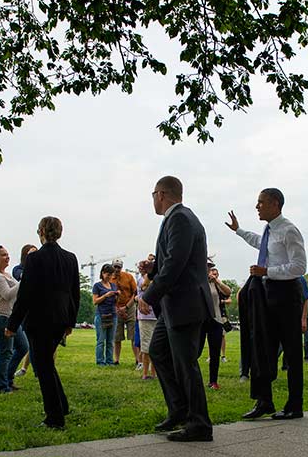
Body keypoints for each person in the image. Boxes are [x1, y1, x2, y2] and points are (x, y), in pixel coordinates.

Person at [137, 176, 214, 442]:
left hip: (184, 304)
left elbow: (176, 264)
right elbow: (172, 259)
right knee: (158, 350)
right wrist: (153, 267)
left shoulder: (180, 218)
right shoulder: (180, 217)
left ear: (161, 194)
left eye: (153, 194)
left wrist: (149, 293)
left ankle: (200, 424)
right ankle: (179, 410)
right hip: (177, 305)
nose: (153, 200)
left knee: (185, 364)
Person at [227, 187, 307, 420]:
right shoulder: (269, 230)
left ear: (274, 203)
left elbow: (300, 266)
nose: (257, 206)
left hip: (286, 294)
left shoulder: (289, 231)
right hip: (266, 294)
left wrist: (267, 271)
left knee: (291, 353)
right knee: (262, 348)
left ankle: (295, 405)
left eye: (260, 202)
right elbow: (259, 243)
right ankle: (264, 401)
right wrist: (239, 230)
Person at [6, 216, 79, 429]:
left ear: (41, 232)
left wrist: (12, 324)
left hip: (39, 320)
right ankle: (61, 405)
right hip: (60, 319)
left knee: (42, 366)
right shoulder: (70, 258)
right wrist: (70, 321)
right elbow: (74, 293)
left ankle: (55, 417)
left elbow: (26, 294)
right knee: (46, 362)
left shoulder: (34, 260)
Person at [0, 245, 29, 393]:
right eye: (3, 255)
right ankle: (1, 386)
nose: (7, 257)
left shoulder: (7, 275)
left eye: (8, 254)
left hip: (10, 317)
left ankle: (8, 379)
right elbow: (8, 294)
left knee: (23, 347)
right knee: (5, 352)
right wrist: (24, 280)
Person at [201, 264, 232, 390]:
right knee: (195, 351)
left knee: (215, 353)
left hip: (216, 320)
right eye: (206, 267)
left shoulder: (215, 283)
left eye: (210, 267)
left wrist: (216, 280)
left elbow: (228, 292)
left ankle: (213, 381)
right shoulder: (196, 280)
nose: (208, 269)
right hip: (200, 320)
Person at [13, 244, 38, 378]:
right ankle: (23, 369)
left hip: (39, 309)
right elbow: (23, 277)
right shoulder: (18, 269)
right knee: (26, 343)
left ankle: (36, 371)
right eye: (30, 253)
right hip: (24, 310)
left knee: (36, 343)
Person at [111, 259, 138, 366]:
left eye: (119, 267)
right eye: (115, 267)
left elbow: (135, 293)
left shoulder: (128, 277)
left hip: (130, 307)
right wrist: (117, 309)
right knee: (117, 336)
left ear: (121, 267)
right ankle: (116, 360)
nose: (117, 269)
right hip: (116, 309)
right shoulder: (110, 279)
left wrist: (127, 307)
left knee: (133, 335)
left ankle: (137, 359)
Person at [93, 264, 119, 366]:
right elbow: (95, 301)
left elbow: (115, 302)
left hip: (113, 315)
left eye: (111, 275)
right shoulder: (97, 286)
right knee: (100, 340)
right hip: (101, 315)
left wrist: (117, 296)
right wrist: (105, 295)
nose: (109, 277)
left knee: (110, 341)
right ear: (102, 273)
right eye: (107, 274)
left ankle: (109, 361)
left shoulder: (113, 286)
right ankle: (100, 361)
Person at [137, 272, 157, 380]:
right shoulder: (142, 280)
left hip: (157, 316)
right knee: (146, 347)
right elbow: (145, 288)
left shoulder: (159, 278)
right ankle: (145, 373)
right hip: (146, 317)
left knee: (156, 346)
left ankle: (154, 373)